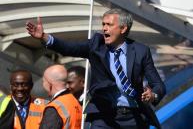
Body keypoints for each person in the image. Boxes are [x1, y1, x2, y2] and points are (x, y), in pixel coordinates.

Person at [26, 8, 166, 129]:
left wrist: (152, 95)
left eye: (109, 25)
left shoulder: (141, 51)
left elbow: (158, 85)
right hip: (104, 115)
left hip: (134, 116)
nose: (104, 28)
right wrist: (45, 37)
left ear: (123, 29)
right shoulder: (96, 44)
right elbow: (70, 48)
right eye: (103, 24)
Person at [40, 64, 82, 129]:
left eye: (43, 81)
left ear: (49, 84)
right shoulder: (75, 102)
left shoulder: (55, 107)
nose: (42, 85)